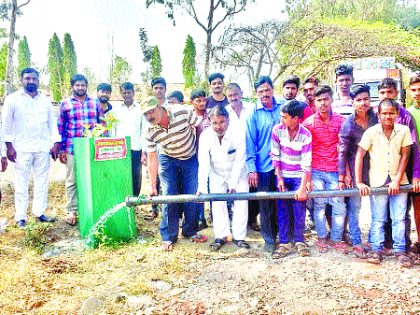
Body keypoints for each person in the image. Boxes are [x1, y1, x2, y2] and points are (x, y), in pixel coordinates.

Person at [142, 96, 207, 251]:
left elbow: (199, 127)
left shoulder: (183, 111)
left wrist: (199, 150)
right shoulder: (149, 130)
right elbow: (152, 159)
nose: (149, 116)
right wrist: (152, 185)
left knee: (191, 194)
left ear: (160, 107)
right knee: (169, 195)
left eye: (151, 112)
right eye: (146, 114)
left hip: (190, 157)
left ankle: (190, 231)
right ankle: (169, 236)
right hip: (167, 158)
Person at [356, 99, 413, 267]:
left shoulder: (403, 130)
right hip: (378, 181)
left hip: (399, 181)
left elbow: (405, 156)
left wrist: (396, 180)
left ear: (396, 114)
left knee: (399, 218)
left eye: (391, 113)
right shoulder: (371, 132)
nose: (388, 116)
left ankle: (400, 250)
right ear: (379, 114)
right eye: (384, 113)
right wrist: (359, 181)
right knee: (378, 218)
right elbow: (360, 155)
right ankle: (376, 249)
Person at [2, 67, 59, 227]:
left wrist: (55, 143)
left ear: (38, 81)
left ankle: (39, 213)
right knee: (21, 183)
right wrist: (9, 147)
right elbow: (6, 126)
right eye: (27, 78)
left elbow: (52, 124)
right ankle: (20, 217)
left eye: (34, 79)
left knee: (42, 182)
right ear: (21, 80)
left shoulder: (45, 101)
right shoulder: (12, 99)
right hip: (21, 148)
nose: (31, 81)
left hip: (42, 147)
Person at [197, 105, 249, 251]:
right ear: (210, 121)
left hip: (237, 174)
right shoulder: (205, 136)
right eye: (215, 123)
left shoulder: (238, 133)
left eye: (222, 122)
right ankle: (221, 236)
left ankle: (239, 237)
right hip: (216, 174)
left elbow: (239, 161)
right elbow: (204, 163)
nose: (219, 126)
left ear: (227, 120)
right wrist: (202, 187)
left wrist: (232, 184)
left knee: (241, 203)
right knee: (217, 204)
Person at [377, 78, 420, 252]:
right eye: (382, 93)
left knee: (403, 208)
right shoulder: (376, 115)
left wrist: (416, 174)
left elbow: (414, 148)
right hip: (383, 171)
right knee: (384, 209)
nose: (386, 96)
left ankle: (404, 244)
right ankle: (386, 243)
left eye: (389, 92)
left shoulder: (405, 116)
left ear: (396, 93)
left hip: (405, 169)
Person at [302, 85, 347, 253]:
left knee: (338, 206)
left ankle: (336, 238)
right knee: (319, 206)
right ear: (315, 102)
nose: (322, 103)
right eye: (318, 100)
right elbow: (305, 153)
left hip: (336, 171)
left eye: (325, 99)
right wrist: (307, 178)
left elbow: (344, 150)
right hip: (316, 171)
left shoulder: (342, 121)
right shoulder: (309, 124)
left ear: (331, 99)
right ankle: (321, 236)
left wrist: (345, 174)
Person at [338, 85, 378, 258]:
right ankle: (356, 242)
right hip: (356, 171)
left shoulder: (377, 118)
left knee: (378, 208)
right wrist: (344, 175)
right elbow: (342, 152)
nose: (363, 103)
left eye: (366, 99)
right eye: (359, 100)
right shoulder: (348, 124)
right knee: (355, 208)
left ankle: (374, 241)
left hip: (377, 168)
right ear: (353, 102)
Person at [58, 74, 103, 225]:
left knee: (93, 177)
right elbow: (61, 128)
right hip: (72, 147)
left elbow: (101, 125)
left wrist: (102, 145)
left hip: (91, 148)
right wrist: (61, 150)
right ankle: (72, 210)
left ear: (86, 86)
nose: (80, 88)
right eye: (77, 85)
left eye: (83, 85)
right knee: (72, 179)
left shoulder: (95, 103)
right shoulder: (65, 104)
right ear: (72, 87)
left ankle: (93, 206)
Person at [270, 100, 312, 258]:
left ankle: (300, 241)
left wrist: (302, 186)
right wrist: (279, 178)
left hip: (298, 176)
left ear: (295, 119)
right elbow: (275, 155)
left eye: (284, 117)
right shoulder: (277, 130)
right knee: (282, 210)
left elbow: (306, 161)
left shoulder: (306, 134)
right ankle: (284, 243)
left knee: (299, 210)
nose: (281, 120)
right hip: (283, 174)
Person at [246, 76, 282, 253]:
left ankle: (284, 237)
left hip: (284, 165)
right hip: (263, 166)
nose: (264, 94)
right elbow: (250, 142)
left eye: (267, 90)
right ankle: (269, 238)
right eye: (260, 91)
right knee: (266, 204)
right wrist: (251, 169)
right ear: (256, 93)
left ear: (273, 89)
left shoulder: (282, 107)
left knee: (282, 202)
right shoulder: (253, 113)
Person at [225, 83, 260, 232]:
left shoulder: (252, 108)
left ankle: (252, 219)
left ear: (241, 93)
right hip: (233, 158)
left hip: (252, 155)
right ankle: (235, 223)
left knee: (253, 190)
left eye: (236, 94)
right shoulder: (224, 112)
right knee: (234, 190)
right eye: (230, 96)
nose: (234, 98)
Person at [113, 82, 146, 196]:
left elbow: (143, 130)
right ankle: (123, 199)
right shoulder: (116, 109)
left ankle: (135, 200)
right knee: (121, 174)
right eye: (124, 93)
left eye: (129, 92)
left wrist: (143, 150)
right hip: (119, 148)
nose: (127, 95)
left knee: (135, 175)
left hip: (136, 147)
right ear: (121, 94)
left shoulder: (140, 109)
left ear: (133, 93)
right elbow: (113, 128)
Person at [191, 88, 211, 230]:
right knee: (198, 186)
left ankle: (215, 219)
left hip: (212, 156)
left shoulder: (211, 115)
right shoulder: (189, 116)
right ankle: (199, 218)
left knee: (213, 186)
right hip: (193, 156)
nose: (202, 103)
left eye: (204, 100)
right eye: (198, 101)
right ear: (192, 102)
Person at [406, 75, 420, 252]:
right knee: (417, 205)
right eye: (414, 89)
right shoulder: (408, 113)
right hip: (415, 167)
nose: (417, 93)